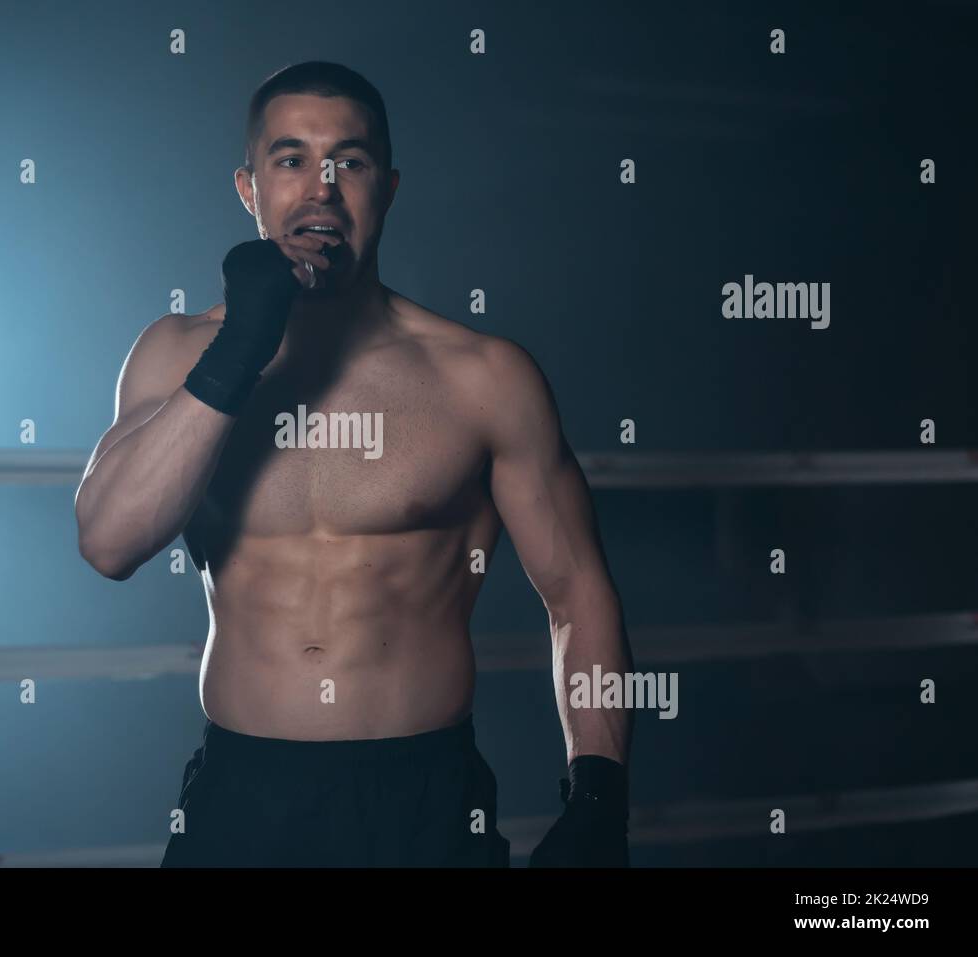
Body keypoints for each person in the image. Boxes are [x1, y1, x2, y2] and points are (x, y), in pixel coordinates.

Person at [74, 61, 633, 867]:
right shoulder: (176, 354)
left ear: (389, 187)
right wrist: (241, 350)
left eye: (352, 161)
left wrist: (599, 797)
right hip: (244, 795)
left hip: (423, 803)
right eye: (291, 158)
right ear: (249, 186)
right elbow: (109, 542)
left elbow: (578, 590)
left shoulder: (483, 376)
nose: (322, 187)